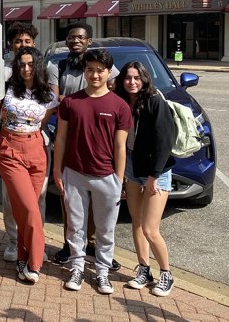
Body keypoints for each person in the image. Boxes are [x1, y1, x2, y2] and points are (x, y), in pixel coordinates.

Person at [53, 49, 131, 295]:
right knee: (75, 226)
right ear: (84, 71)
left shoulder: (120, 105)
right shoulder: (70, 102)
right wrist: (57, 169)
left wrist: (119, 179)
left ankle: (102, 272)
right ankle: (76, 267)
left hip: (107, 176)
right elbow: (61, 138)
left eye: (100, 70)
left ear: (109, 73)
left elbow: (120, 146)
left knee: (106, 229)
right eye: (90, 69)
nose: (95, 74)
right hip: (74, 173)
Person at [47, 22, 120, 269]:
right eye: (71, 37)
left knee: (99, 201)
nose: (75, 40)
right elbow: (55, 98)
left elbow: (113, 90)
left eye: (80, 37)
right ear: (66, 41)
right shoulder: (57, 65)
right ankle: (70, 247)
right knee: (70, 200)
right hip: (68, 134)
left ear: (89, 41)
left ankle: (93, 246)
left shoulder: (98, 63)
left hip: (99, 136)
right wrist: (78, 100)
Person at [0, 47, 57, 284]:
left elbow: (40, 124)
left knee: (26, 209)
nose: (25, 68)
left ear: (38, 65)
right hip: (9, 149)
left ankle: (23, 257)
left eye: (30, 64)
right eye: (21, 64)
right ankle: (35, 263)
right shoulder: (6, 89)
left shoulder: (48, 94)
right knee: (31, 209)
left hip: (36, 150)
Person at [115, 61, 177, 297]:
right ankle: (143, 269)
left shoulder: (155, 102)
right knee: (137, 222)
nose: (132, 82)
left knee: (151, 229)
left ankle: (166, 274)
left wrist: (154, 176)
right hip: (131, 166)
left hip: (155, 170)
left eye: (136, 78)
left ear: (144, 80)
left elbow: (164, 142)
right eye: (128, 78)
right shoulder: (121, 102)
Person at [0, 22, 50, 263]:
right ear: (11, 45)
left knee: (38, 198)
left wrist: (33, 132)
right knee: (9, 197)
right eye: (17, 41)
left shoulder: (45, 68)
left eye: (26, 41)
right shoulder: (3, 73)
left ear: (33, 43)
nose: (22, 45)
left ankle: (36, 242)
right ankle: (14, 241)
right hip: (7, 142)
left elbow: (49, 105)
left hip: (36, 142)